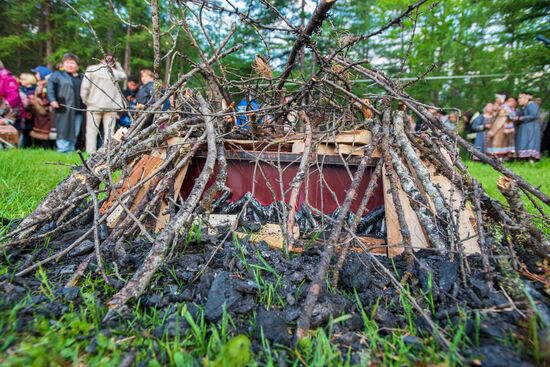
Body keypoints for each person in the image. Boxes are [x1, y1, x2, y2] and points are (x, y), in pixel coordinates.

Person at [80, 53, 127, 153]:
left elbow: (85, 87)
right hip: (111, 106)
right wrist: (117, 64)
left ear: (101, 59)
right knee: (109, 131)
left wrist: (85, 100)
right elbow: (124, 75)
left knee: (92, 131)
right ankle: (106, 152)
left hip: (93, 104)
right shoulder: (115, 72)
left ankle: (90, 152)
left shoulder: (92, 69)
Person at [47, 53, 85, 153]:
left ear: (77, 65)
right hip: (63, 106)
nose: (70, 65)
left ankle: (71, 148)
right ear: (63, 64)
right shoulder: (57, 75)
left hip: (78, 108)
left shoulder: (82, 77)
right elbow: (50, 88)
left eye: (72, 62)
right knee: (63, 128)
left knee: (75, 130)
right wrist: (52, 100)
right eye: (67, 62)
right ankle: (62, 148)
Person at [28, 66, 54, 147]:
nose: (36, 75)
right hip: (39, 116)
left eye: (37, 73)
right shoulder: (40, 85)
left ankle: (47, 148)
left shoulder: (46, 85)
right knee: (39, 134)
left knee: (44, 134)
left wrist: (34, 101)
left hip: (45, 115)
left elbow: (46, 100)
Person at [486, 94, 515, 160]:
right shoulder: (501, 107)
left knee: (499, 143)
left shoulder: (504, 108)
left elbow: (501, 120)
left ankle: (499, 159)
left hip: (500, 129)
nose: (496, 100)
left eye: (497, 98)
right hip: (498, 128)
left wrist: (492, 131)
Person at [514, 92, 541, 160]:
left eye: (520, 98)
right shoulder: (524, 107)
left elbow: (535, 115)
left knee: (528, 143)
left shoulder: (531, 105)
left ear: (526, 98)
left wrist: (521, 118)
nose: (518, 100)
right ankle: (524, 159)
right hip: (526, 128)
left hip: (530, 128)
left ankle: (530, 158)